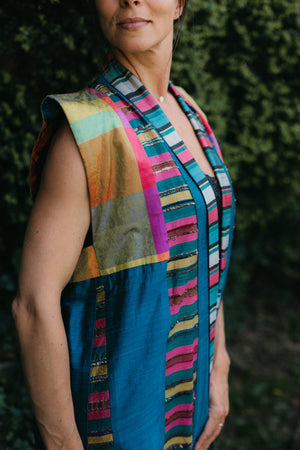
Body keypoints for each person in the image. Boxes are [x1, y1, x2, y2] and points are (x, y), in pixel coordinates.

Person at [12, 1, 235, 449]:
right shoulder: (86, 131)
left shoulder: (188, 111)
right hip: (117, 423)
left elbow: (204, 247)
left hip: (183, 402)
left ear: (178, 5)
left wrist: (219, 364)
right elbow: (33, 304)